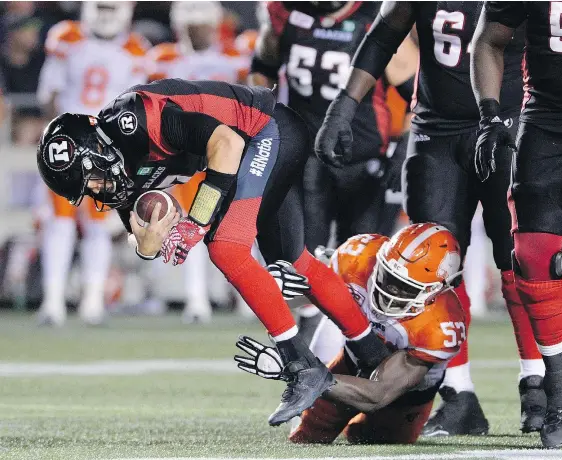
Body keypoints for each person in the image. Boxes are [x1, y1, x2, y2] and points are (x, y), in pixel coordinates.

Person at [36, 78, 392, 426]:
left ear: (98, 151)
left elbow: (225, 142)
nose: (98, 190)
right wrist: (145, 247)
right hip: (259, 145)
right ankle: (371, 351)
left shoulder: (137, 121)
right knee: (293, 262)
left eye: (93, 178)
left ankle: (302, 367)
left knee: (225, 247)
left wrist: (197, 222)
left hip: (265, 131)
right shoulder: (116, 172)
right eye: (89, 190)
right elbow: (140, 233)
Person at [314, 1, 548, 437]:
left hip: (509, 121)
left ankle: (535, 381)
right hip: (435, 128)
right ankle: (459, 394)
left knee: (518, 256)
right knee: (432, 266)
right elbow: (384, 34)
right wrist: (345, 105)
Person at [249, 1, 417, 342]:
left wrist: (404, 147)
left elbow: (417, 93)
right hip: (306, 156)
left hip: (368, 158)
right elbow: (262, 67)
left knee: (363, 263)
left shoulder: (376, 17)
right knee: (300, 254)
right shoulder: (285, 13)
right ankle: (313, 322)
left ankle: (368, 345)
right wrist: (259, 120)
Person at [470, 1, 562, 449]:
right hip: (545, 121)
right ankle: (559, 384)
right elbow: (489, 39)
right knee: (532, 253)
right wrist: (489, 116)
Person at [235, 224, 466, 444]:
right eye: (387, 276)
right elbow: (306, 299)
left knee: (365, 436)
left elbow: (379, 393)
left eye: (404, 287)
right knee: (307, 437)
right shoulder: (359, 257)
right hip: (352, 361)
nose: (389, 290)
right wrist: (282, 287)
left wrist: (309, 377)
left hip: (401, 397)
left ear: (436, 290)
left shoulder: (441, 322)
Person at [35, 1, 148, 326]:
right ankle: (57, 301)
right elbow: (50, 95)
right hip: (80, 145)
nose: (106, 14)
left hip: (91, 146)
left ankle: (88, 301)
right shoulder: (67, 37)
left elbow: (49, 97)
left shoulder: (134, 48)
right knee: (62, 222)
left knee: (93, 226)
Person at [146, 1, 251, 323]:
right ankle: (196, 298)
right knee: (191, 222)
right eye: (192, 25)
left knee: (242, 225)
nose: (198, 31)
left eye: (203, 24)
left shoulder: (237, 56)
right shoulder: (163, 58)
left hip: (234, 151)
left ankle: (246, 299)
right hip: (189, 154)